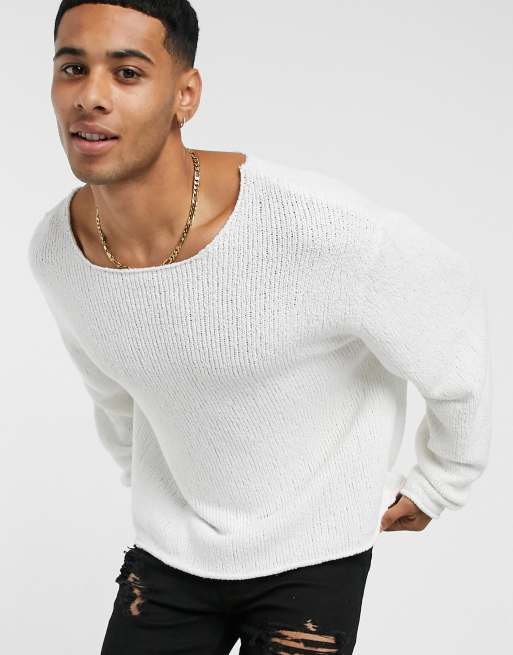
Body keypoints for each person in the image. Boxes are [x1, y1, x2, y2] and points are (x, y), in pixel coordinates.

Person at [28, 1, 492, 653]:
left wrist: (443, 477)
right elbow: (113, 394)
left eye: (128, 73)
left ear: (185, 95)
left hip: (314, 556)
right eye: (73, 68)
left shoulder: (317, 230)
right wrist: (165, 491)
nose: (90, 97)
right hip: (171, 552)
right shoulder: (58, 250)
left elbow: (449, 316)